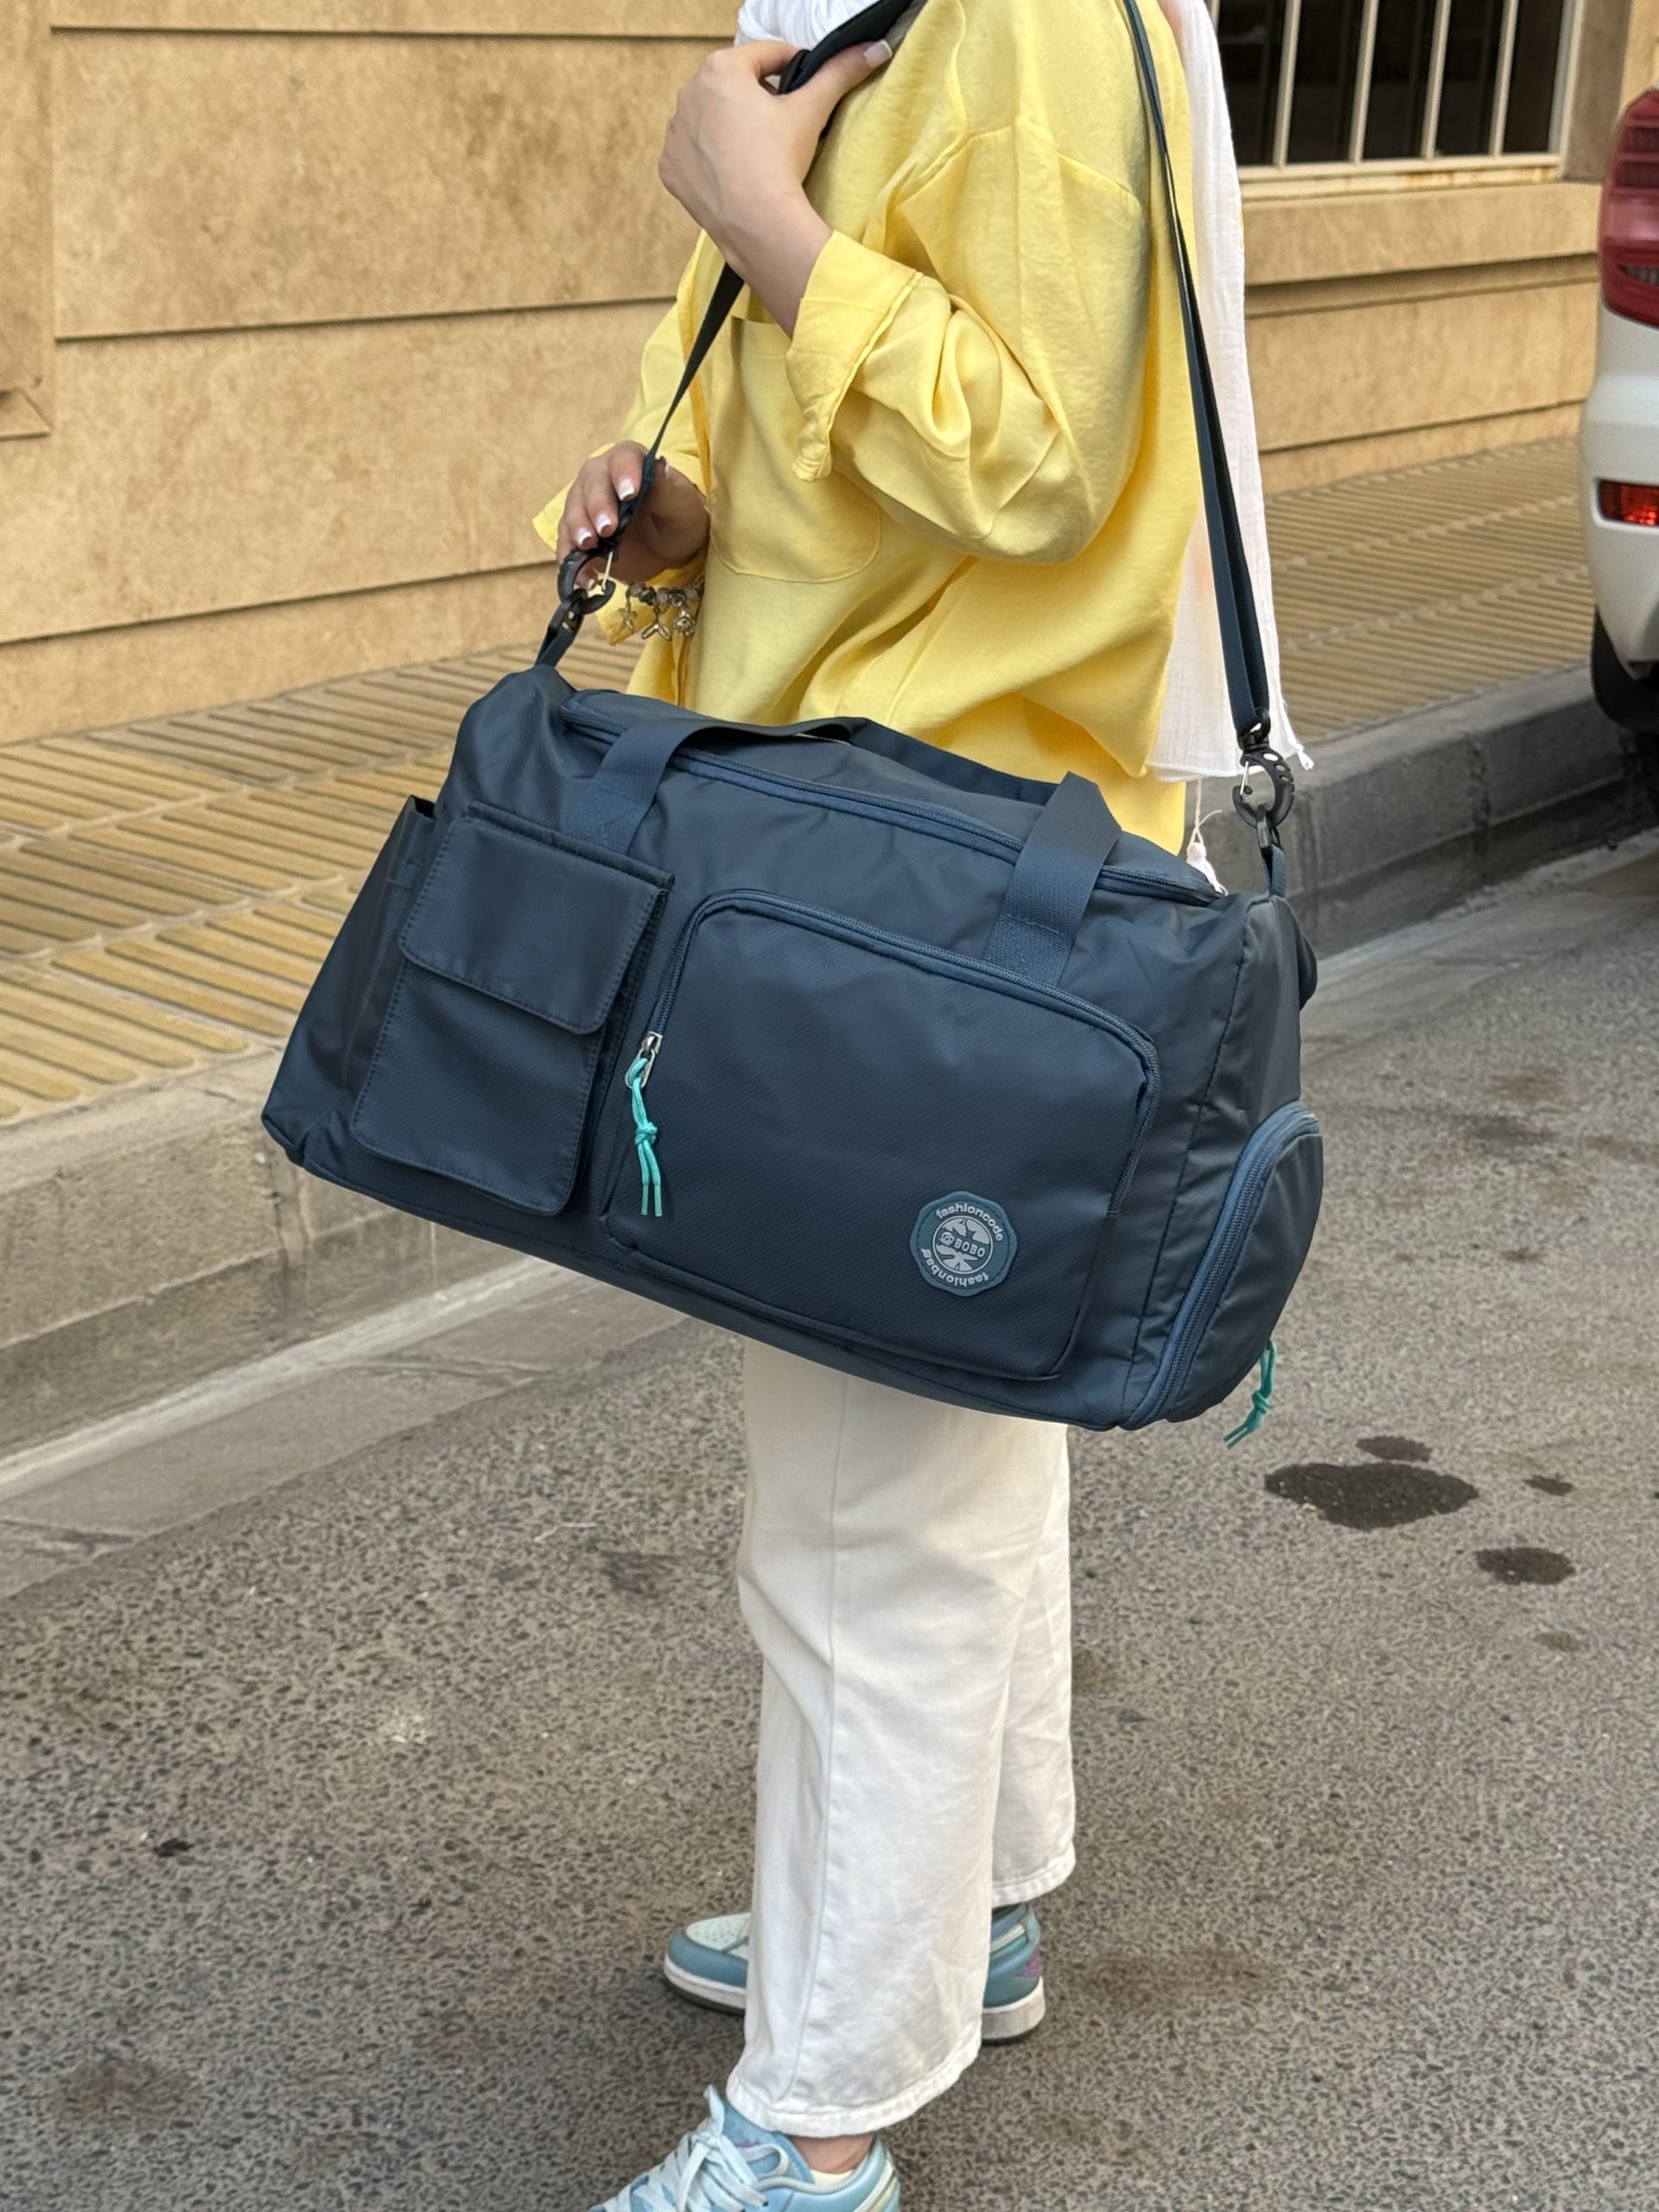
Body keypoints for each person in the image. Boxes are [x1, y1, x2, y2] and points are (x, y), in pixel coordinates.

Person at [539, 1, 1250, 2202]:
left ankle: (819, 2116)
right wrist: (680, 517)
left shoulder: (1016, 16)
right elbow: (864, 459)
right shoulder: (853, 10)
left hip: (937, 874)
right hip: (880, 839)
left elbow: (1044, 459)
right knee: (954, 1434)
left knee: (864, 1523)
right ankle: (970, 1901)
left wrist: (765, 225)